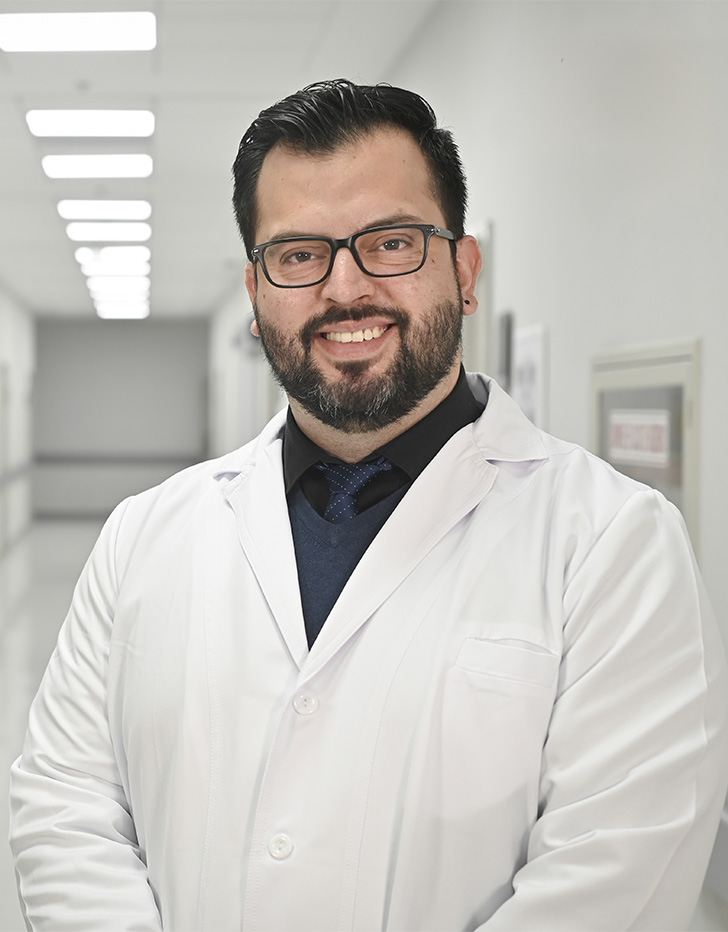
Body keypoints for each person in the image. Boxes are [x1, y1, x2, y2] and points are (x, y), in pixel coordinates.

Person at [9, 79, 728, 932]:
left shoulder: (613, 544)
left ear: (465, 271)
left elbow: (614, 875)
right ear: (256, 293)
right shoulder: (145, 534)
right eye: (299, 254)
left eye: (391, 243)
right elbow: (65, 804)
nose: (346, 288)